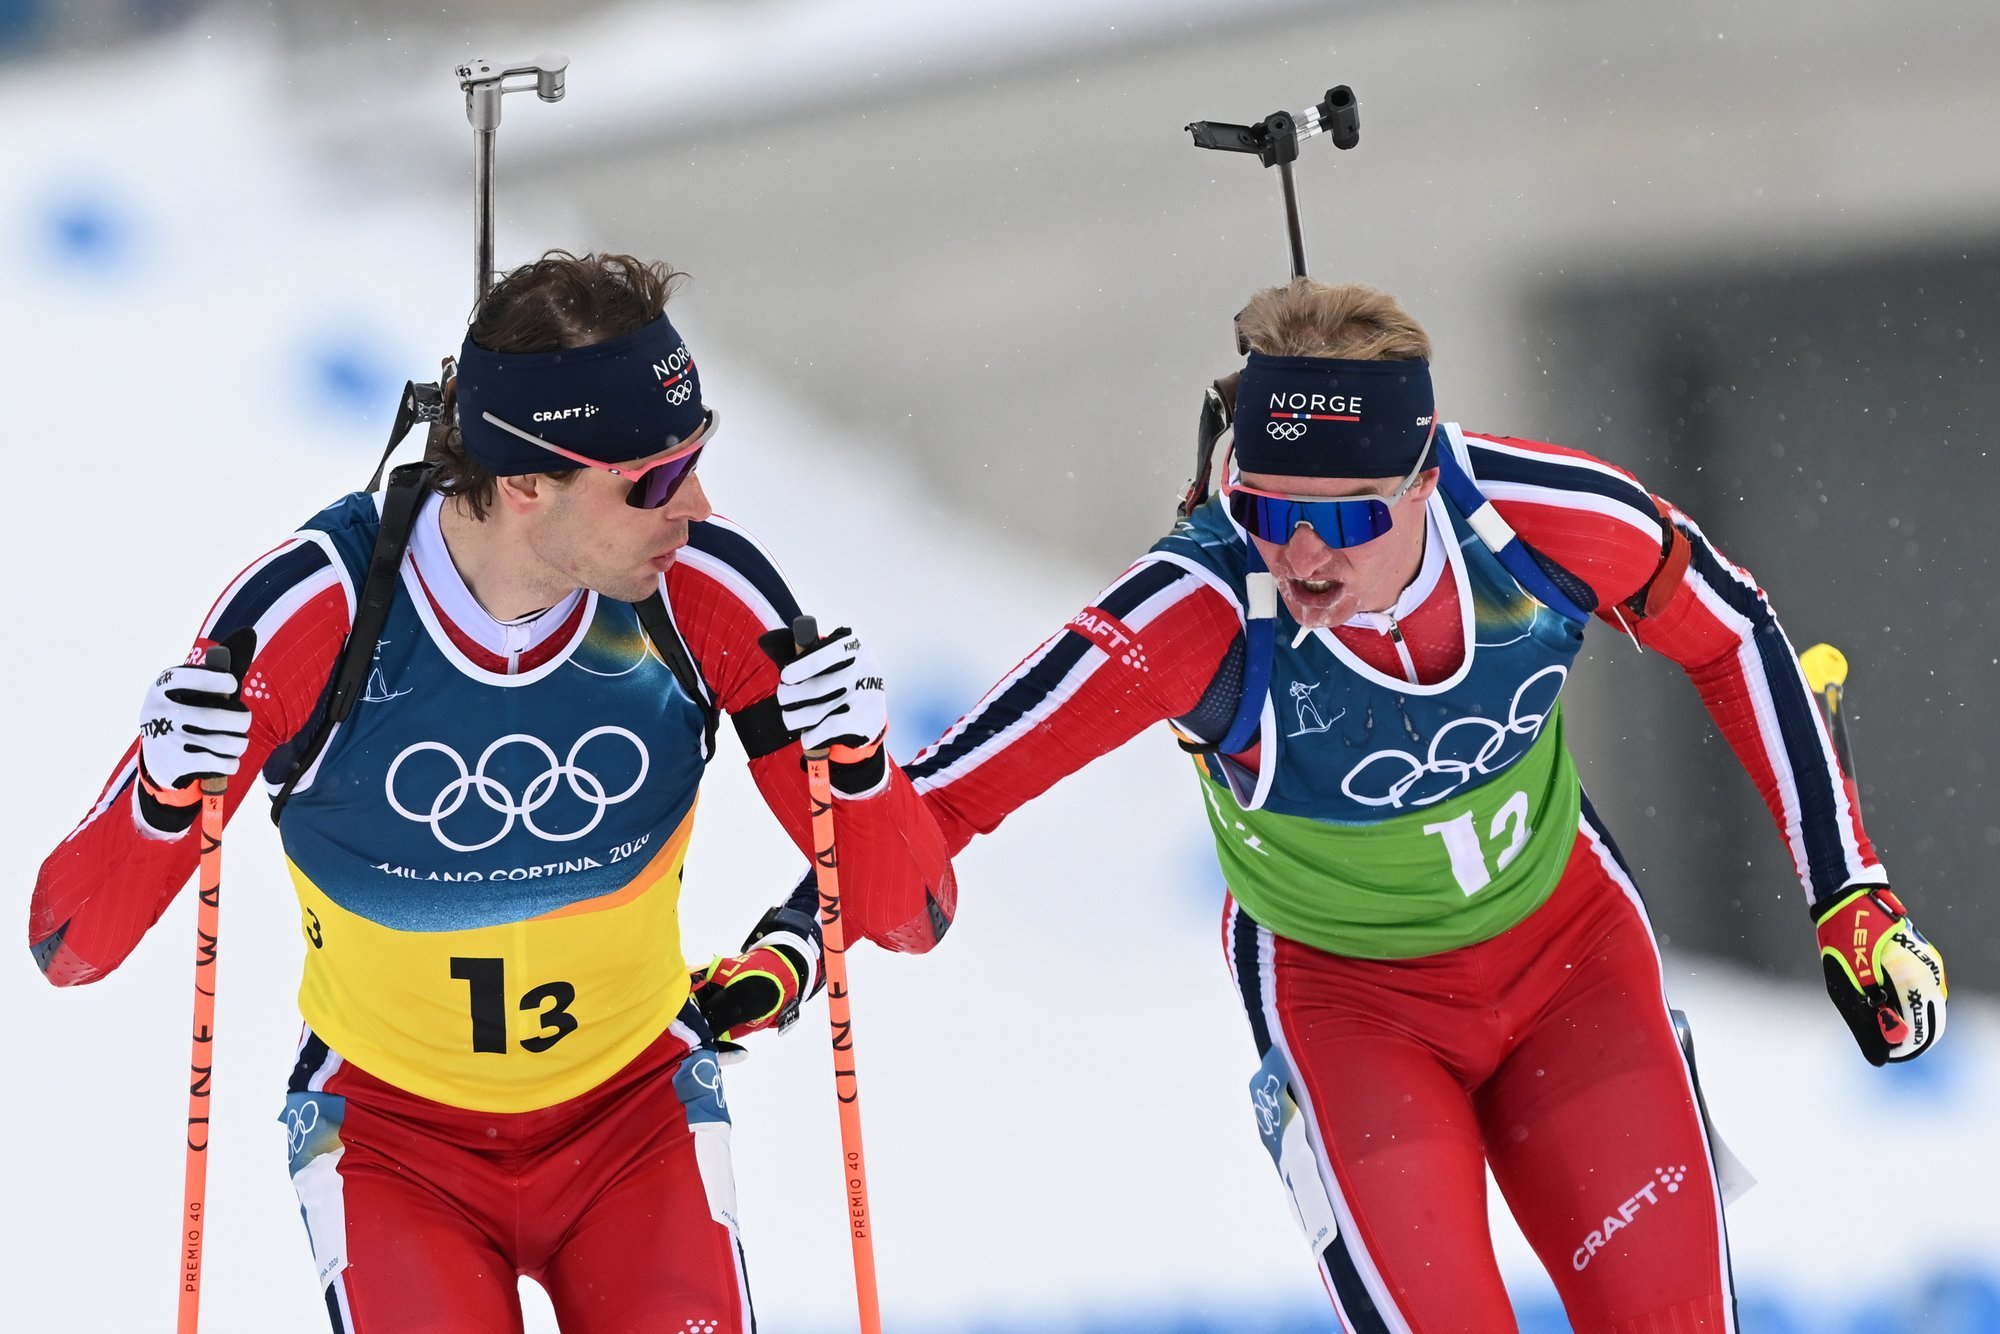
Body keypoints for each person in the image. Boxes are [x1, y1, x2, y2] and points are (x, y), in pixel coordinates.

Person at [884, 279, 1947, 1330]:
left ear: (1423, 475)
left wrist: (1847, 890)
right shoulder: (1193, 605)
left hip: (1567, 962)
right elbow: (923, 813)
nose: (1302, 553)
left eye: (1345, 515)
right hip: (1348, 1008)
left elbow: (1732, 630)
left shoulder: (1535, 520)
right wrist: (813, 892)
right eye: (1263, 509)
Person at [28, 251, 954, 1334]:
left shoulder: (702, 589)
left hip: (632, 1122)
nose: (694, 505)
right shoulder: (315, 610)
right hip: (388, 1140)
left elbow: (909, 915)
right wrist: (159, 787)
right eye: (652, 479)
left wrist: (857, 763)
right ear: (524, 483)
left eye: (696, 456)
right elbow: (68, 944)